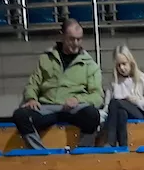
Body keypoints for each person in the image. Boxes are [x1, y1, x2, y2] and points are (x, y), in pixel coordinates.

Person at [11, 19, 103, 151]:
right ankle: (39, 153)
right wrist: (31, 98)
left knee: (92, 115)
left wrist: (78, 99)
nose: (76, 43)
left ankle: (83, 152)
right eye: (71, 39)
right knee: (20, 115)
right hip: (47, 107)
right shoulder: (45, 59)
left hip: (74, 109)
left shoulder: (90, 65)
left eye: (79, 39)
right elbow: (33, 84)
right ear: (62, 36)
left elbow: (97, 96)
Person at [103, 45, 144, 148]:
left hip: (139, 113)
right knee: (120, 112)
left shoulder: (143, 79)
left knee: (115, 102)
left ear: (130, 62)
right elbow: (107, 107)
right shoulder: (113, 81)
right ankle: (123, 146)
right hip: (119, 115)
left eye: (124, 64)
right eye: (118, 65)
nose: (121, 68)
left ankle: (110, 142)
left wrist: (136, 101)